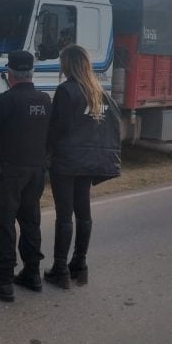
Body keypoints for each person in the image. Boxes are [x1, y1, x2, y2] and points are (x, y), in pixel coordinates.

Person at [0, 50, 53, 302]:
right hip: (36, 172)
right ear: (31, 73)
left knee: (3, 224)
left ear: (10, 74)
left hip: (8, 172)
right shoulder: (44, 100)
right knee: (30, 222)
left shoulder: (5, 100)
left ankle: (4, 281)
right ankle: (32, 273)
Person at [44, 44, 121, 289]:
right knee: (84, 214)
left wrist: (46, 152)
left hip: (67, 162)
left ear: (67, 64)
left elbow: (58, 129)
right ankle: (80, 265)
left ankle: (59, 269)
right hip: (90, 161)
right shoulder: (99, 93)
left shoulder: (66, 91)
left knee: (64, 216)